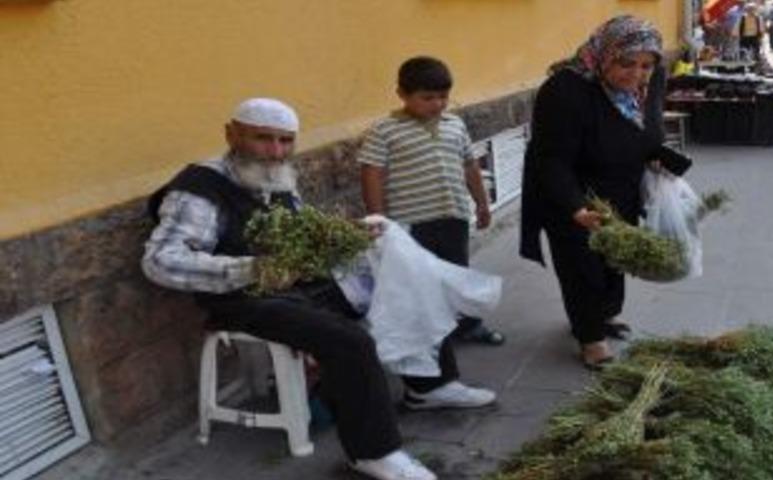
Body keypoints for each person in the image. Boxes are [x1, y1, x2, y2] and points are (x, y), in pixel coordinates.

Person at [142, 97, 498, 480]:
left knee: (403, 281)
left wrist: (348, 235)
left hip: (298, 282)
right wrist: (254, 269)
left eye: (285, 141)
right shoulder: (201, 187)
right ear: (232, 134)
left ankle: (430, 387)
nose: (276, 153)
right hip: (243, 297)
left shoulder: (275, 177)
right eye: (263, 139)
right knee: (348, 340)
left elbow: (304, 235)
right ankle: (373, 453)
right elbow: (161, 261)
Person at [519, 16, 666, 369]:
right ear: (604, 54)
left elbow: (649, 125)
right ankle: (590, 337)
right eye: (626, 63)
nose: (638, 75)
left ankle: (605, 314)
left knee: (614, 259)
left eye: (647, 65)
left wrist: (657, 157)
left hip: (622, 190)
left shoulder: (652, 79)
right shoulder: (565, 89)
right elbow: (551, 161)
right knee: (581, 266)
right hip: (572, 193)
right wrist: (575, 207)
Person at [359, 56, 505, 346]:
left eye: (443, 97)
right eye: (427, 98)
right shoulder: (384, 130)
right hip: (411, 222)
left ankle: (469, 325)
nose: (437, 104)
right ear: (402, 94)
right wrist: (378, 218)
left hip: (453, 216)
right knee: (420, 279)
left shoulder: (455, 124)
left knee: (458, 272)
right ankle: (432, 334)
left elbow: (469, 164)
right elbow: (371, 173)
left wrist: (482, 203)